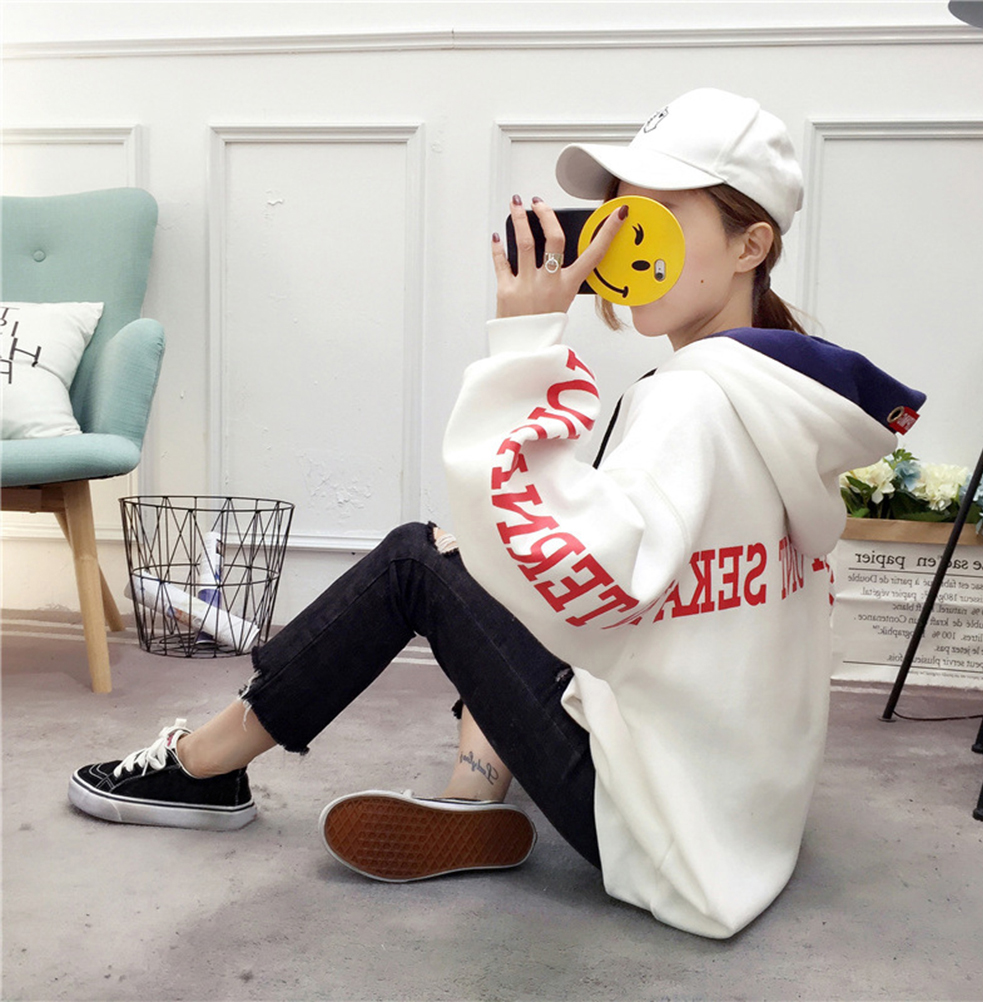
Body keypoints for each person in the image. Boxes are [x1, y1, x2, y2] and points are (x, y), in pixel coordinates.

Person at [68, 88, 925, 938]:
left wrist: (525, 340)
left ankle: (204, 766)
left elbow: (573, 579)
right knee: (476, 561)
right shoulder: (783, 392)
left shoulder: (692, 399)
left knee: (415, 560)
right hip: (737, 811)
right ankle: (471, 791)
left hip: (656, 832)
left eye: (660, 217)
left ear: (751, 244)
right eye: (619, 217)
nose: (624, 243)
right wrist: (482, 558)